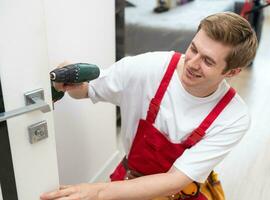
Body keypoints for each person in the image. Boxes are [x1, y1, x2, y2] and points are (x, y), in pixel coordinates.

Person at [40, 12, 258, 200]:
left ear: (231, 72)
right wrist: (69, 81)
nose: (191, 64)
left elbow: (175, 180)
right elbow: (87, 90)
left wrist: (95, 193)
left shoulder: (233, 117)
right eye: (193, 49)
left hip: (177, 193)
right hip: (127, 181)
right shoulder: (150, 68)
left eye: (208, 61)